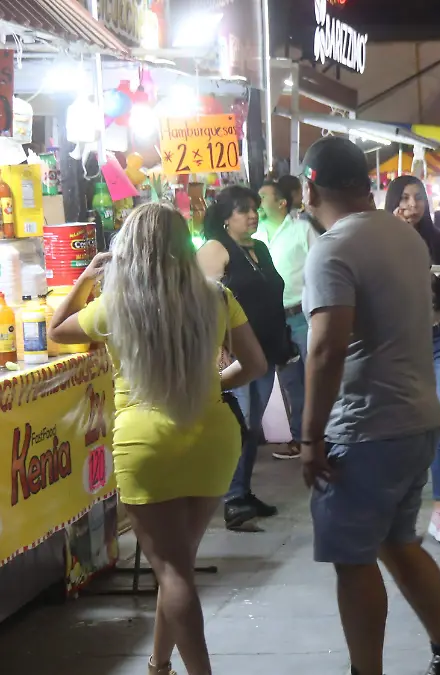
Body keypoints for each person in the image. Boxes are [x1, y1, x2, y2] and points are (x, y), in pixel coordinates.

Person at [298, 137, 440, 675]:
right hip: (416, 419)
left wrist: (310, 439)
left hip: (366, 427)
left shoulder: (333, 248)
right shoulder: (405, 238)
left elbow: (325, 347)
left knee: (354, 559)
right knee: (397, 542)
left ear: (311, 187)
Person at [48, 204, 268, 675]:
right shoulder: (215, 296)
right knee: (180, 563)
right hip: (211, 434)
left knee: (171, 571)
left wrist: (88, 273)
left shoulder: (115, 304)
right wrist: (211, 385)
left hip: (145, 440)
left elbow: (56, 330)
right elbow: (254, 366)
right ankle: (158, 664)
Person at [198, 186, 295, 530]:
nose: (252, 215)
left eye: (254, 209)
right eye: (243, 210)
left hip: (265, 352)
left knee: (252, 428)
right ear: (226, 217)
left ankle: (243, 491)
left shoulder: (261, 249)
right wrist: (219, 352)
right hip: (233, 355)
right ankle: (232, 499)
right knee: (239, 424)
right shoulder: (214, 249)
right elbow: (202, 307)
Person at [385, 175, 440, 545]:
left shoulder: (438, 238)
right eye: (404, 198)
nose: (412, 205)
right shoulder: (382, 238)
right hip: (398, 344)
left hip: (438, 338)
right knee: (399, 425)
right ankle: (395, 506)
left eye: (418, 198)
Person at [255, 178, 315, 461]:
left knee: (316, 376)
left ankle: (321, 438)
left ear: (281, 203)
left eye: (263, 198)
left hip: (303, 315)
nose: (258, 204)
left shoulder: (302, 230)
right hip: (276, 321)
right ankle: (300, 438)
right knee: (291, 382)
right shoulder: (256, 237)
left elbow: (320, 266)